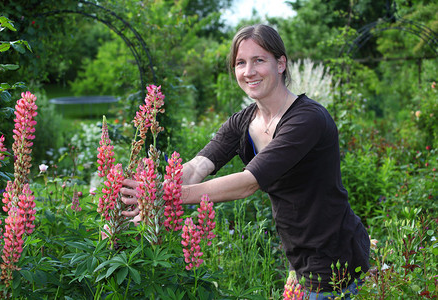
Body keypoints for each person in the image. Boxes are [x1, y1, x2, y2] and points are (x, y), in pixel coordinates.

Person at [121, 24, 370, 299]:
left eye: (259, 60)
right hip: (298, 258)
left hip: (334, 258)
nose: (248, 71)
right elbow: (197, 166)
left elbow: (247, 183)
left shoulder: (307, 119)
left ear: (281, 64)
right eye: (241, 62)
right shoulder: (243, 121)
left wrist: (167, 196)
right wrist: (151, 189)